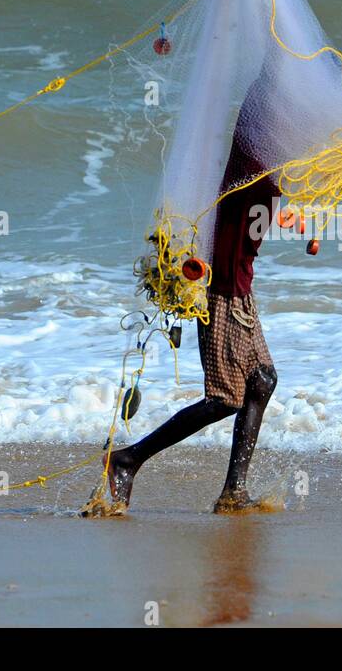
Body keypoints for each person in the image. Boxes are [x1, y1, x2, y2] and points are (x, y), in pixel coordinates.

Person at [103, 79, 280, 513]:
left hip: (241, 291)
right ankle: (127, 459)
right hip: (220, 292)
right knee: (225, 398)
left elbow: (335, 135)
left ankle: (233, 491)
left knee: (263, 380)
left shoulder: (273, 158)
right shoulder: (251, 159)